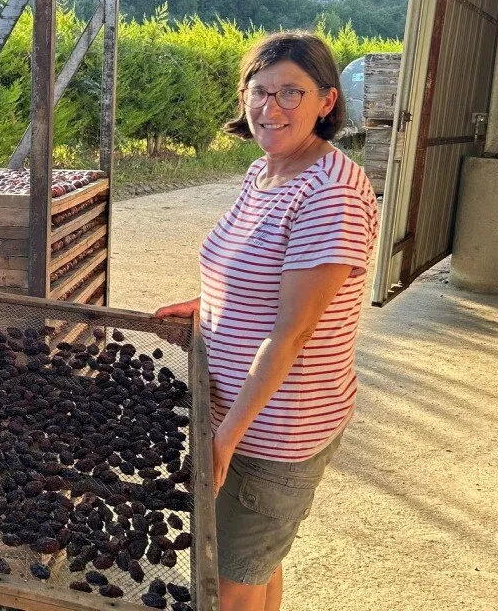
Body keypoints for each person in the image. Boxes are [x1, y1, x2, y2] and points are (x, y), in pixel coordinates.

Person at [155, 32, 379, 611]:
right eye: (260, 90)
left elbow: (293, 331)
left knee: (226, 583)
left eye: (290, 92)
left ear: (327, 102)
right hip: (236, 410)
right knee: (252, 564)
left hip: (277, 428)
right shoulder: (268, 171)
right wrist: (207, 306)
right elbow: (256, 275)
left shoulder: (331, 193)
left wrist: (224, 440)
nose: (270, 107)